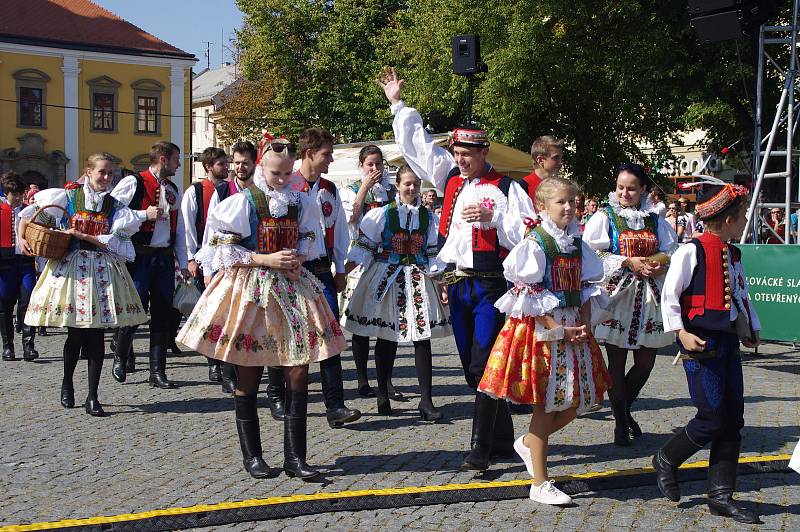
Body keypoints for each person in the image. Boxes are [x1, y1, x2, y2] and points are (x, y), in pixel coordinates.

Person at [380, 67, 535, 470]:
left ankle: (479, 448)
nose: (461, 160)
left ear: (484, 153)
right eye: (458, 153)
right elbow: (418, 146)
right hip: (460, 283)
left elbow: (527, 236)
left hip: (493, 286)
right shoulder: (450, 179)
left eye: (468, 154)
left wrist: (493, 221)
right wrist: (397, 103)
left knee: (484, 364)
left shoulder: (506, 189)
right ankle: (502, 440)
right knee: (471, 369)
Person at [177, 139, 346, 480]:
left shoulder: (302, 201)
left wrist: (299, 255)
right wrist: (263, 258)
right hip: (252, 288)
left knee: (298, 367)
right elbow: (221, 246)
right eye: (274, 172)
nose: (281, 179)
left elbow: (311, 237)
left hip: (292, 285)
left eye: (286, 173)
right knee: (250, 368)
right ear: (260, 168)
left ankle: (295, 458)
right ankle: (252, 455)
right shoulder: (243, 202)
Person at [479, 177, 611, 505]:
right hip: (542, 332)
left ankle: (528, 442)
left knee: (582, 401)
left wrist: (582, 321)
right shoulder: (537, 242)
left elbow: (585, 287)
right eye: (561, 202)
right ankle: (539, 482)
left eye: (572, 202)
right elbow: (529, 295)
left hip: (572, 329)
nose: (568, 208)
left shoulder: (578, 245)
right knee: (546, 402)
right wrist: (557, 328)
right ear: (543, 207)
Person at [655, 177, 760, 524]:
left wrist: (750, 326)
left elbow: (741, 293)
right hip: (700, 342)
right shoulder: (691, 250)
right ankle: (667, 458)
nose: (745, 221)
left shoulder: (734, 253)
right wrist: (680, 333)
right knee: (711, 415)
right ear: (728, 219)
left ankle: (721, 495)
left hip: (727, 341)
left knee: (733, 418)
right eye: (743, 215)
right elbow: (671, 296)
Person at [18, 153, 146, 416]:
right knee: (75, 335)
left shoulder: (114, 205)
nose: (108, 178)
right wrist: (22, 239)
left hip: (102, 270)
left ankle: (92, 396)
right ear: (89, 172)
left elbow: (118, 238)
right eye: (102, 172)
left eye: (111, 173)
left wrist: (87, 235)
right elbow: (30, 213)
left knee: (97, 336)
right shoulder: (68, 196)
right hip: (72, 271)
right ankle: (67, 384)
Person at [344, 164, 451, 420]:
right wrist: (342, 273)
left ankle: (426, 401)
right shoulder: (382, 214)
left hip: (418, 277)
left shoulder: (428, 217)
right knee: (386, 335)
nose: (412, 188)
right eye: (407, 184)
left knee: (422, 337)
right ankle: (382, 393)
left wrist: (441, 282)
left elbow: (433, 252)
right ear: (398, 185)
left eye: (415, 184)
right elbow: (364, 246)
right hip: (386, 275)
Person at [583, 163, 678, 446]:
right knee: (617, 359)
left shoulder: (655, 219)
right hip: (617, 295)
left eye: (631, 188)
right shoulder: (605, 216)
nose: (624, 193)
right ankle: (622, 423)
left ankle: (622, 410)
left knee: (646, 361)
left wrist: (657, 264)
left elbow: (670, 250)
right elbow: (591, 252)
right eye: (620, 187)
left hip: (648, 296)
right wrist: (626, 261)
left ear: (644, 190)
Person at [286, 128, 362, 429]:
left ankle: (335, 405)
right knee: (293, 335)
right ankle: (282, 394)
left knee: (330, 336)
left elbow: (340, 230)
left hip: (321, 268)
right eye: (326, 154)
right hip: (293, 270)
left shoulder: (328, 188)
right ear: (309, 154)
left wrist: (340, 268)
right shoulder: (288, 184)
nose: (330, 159)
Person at [110, 141, 190, 389]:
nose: (179, 164)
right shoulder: (134, 182)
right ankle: (121, 357)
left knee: (163, 314)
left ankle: (157, 371)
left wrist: (184, 262)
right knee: (135, 310)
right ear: (164, 159)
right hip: (140, 257)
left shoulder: (173, 188)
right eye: (176, 159)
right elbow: (113, 215)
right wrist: (144, 214)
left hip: (164, 258)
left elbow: (180, 230)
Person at [339, 145, 401, 399]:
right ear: (361, 166)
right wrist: (364, 187)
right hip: (360, 259)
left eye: (379, 164)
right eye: (370, 165)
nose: (375, 169)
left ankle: (386, 381)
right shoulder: (350, 190)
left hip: (386, 260)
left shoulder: (391, 192)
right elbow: (350, 219)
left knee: (389, 322)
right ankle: (363, 379)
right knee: (361, 324)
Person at [181, 147, 229, 383]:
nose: (226, 167)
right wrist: (191, 258)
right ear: (209, 167)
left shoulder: (230, 189)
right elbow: (188, 226)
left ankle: (227, 361)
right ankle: (213, 363)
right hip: (204, 258)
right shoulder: (196, 191)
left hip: (227, 258)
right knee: (210, 314)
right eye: (221, 163)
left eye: (226, 162)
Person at [1, 172, 38, 361]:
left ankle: (28, 346)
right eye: (13, 193)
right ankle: (8, 347)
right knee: (5, 304)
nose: (16, 197)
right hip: (4, 264)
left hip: (26, 263)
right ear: (6, 193)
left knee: (28, 302)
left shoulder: (30, 211)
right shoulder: (0, 210)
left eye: (19, 193)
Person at [523, 136, 564, 202]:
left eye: (560, 158)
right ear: (540, 160)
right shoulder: (522, 188)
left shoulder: (559, 186)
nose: (560, 163)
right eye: (556, 158)